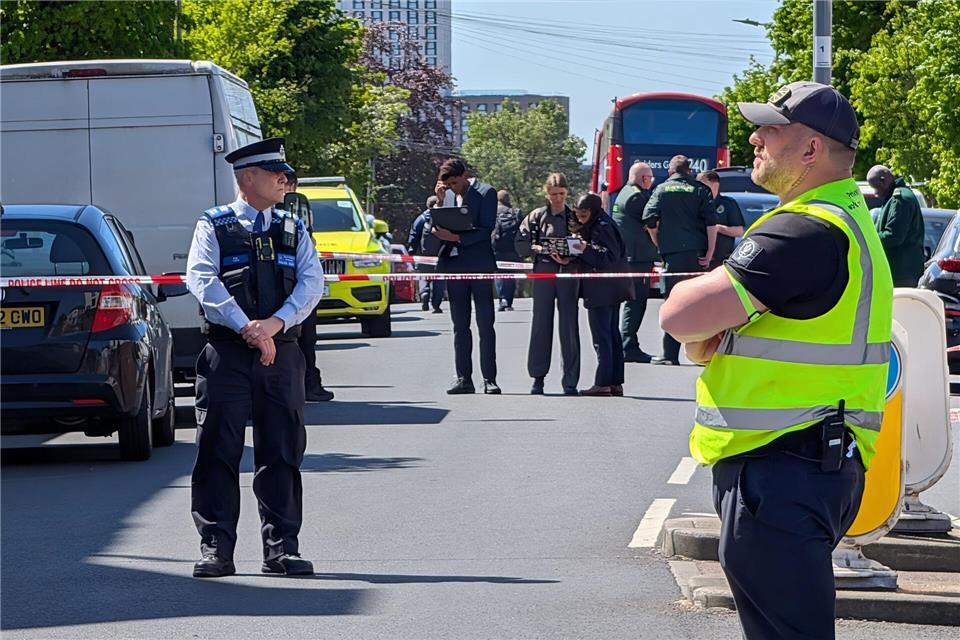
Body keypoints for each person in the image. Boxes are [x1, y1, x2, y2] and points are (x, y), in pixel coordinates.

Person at [660, 82, 892, 639]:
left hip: (783, 468)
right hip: (813, 462)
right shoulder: (845, 218)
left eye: (770, 128)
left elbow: (680, 316)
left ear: (811, 149)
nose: (754, 138)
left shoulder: (803, 230)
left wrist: (713, 320)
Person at [186, 137, 324, 578]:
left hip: (281, 354)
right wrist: (247, 326)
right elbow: (202, 280)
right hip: (227, 352)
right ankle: (216, 549)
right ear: (248, 178)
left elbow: (312, 283)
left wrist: (274, 325)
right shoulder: (214, 225)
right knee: (217, 451)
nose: (284, 181)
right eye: (275, 174)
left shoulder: (293, 227)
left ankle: (282, 550)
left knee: (282, 451)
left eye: (285, 174)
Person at [642, 154, 718, 365]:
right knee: (697, 303)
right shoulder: (700, 190)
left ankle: (670, 354)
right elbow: (711, 223)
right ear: (689, 170)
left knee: (673, 303)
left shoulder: (661, 189)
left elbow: (649, 218)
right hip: (696, 255)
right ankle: (700, 353)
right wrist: (709, 252)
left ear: (670, 172)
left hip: (672, 255)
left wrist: (658, 242)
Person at [432, 159, 499, 394]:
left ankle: (489, 379)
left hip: (479, 264)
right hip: (455, 266)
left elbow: (486, 229)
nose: (452, 187)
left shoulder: (486, 192)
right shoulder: (447, 196)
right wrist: (439, 203)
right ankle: (463, 378)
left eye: (455, 182)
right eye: (448, 184)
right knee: (460, 325)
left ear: (464, 175)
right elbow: (434, 228)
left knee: (485, 323)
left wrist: (456, 238)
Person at [514, 173, 580, 395]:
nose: (558, 198)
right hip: (543, 273)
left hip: (569, 274)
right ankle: (538, 377)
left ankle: (570, 381)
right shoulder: (536, 216)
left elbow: (585, 245)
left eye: (561, 194)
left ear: (567, 193)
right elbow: (521, 244)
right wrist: (543, 249)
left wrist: (570, 256)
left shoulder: (575, 217)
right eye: (553, 194)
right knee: (541, 324)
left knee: (569, 326)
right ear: (547, 193)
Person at [571, 193, 635, 397]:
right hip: (611, 288)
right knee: (612, 335)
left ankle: (603, 383)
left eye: (584, 214)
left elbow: (607, 257)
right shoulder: (603, 223)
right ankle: (615, 382)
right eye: (577, 214)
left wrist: (584, 249)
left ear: (593, 211)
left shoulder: (602, 227)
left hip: (602, 289)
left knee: (602, 337)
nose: (580, 218)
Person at [283, 170, 334, 402]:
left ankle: (308, 382)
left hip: (294, 283)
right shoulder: (288, 208)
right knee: (302, 338)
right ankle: (307, 383)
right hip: (290, 283)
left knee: (305, 338)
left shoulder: (293, 209)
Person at [611, 161, 659, 363]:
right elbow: (651, 221)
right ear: (643, 178)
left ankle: (625, 343)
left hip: (629, 256)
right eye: (650, 178)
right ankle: (628, 345)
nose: (651, 181)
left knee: (632, 301)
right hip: (638, 257)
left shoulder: (624, 192)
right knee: (636, 302)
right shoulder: (638, 197)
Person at [868, 164, 925, 287]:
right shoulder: (896, 196)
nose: (876, 193)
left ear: (883, 180)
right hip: (900, 270)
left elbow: (893, 236)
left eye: (876, 187)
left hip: (901, 272)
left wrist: (868, 239)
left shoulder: (900, 199)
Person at [697, 170, 745, 270]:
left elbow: (739, 231)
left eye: (703, 185)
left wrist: (718, 228)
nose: (699, 189)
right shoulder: (696, 204)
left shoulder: (728, 204)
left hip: (721, 261)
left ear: (715, 185)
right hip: (699, 259)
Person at [408, 195, 445, 313]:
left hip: (424, 255)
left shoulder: (421, 218)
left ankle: (424, 293)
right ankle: (436, 304)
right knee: (439, 280)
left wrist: (412, 251)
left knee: (424, 277)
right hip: (440, 255)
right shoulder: (443, 217)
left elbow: (414, 235)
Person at [492, 189, 523, 311]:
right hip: (513, 249)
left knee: (499, 273)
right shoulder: (516, 213)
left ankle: (502, 299)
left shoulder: (493, 212)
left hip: (497, 247)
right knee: (510, 273)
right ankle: (508, 300)